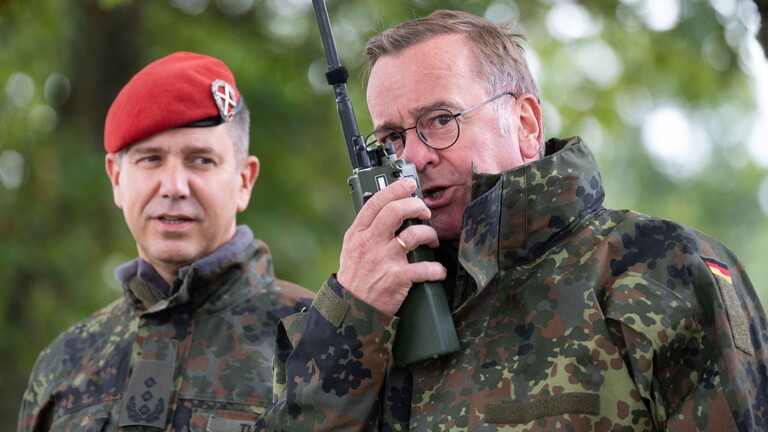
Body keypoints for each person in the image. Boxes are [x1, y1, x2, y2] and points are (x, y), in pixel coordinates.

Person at [257, 10, 768, 431]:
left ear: (524, 123)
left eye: (440, 120)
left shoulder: (661, 268)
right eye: (391, 138)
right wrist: (352, 316)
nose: (412, 155)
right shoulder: (365, 309)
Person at [17, 52, 314, 431]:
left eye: (201, 160)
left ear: (244, 180)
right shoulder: (63, 364)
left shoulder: (316, 344)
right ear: (116, 179)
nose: (174, 187)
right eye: (151, 159)